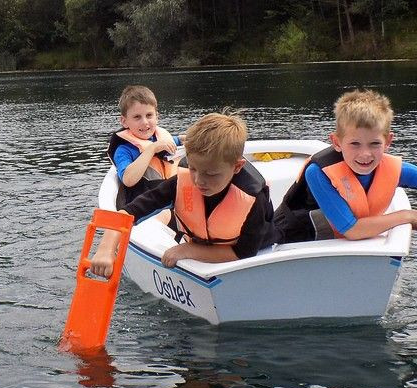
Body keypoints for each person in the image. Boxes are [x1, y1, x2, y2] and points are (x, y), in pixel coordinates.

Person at [274, 89, 417, 243]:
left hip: (340, 244)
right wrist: (406, 215)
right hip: (295, 240)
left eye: (374, 143)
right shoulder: (319, 173)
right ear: (336, 142)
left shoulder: (391, 168)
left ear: (388, 142)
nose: (365, 154)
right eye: (354, 143)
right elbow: (352, 230)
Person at [89, 112, 277, 276]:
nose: (199, 181)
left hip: (254, 253)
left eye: (211, 174)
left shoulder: (253, 197)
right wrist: (106, 248)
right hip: (203, 240)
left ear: (237, 167)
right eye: (194, 169)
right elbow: (130, 211)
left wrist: (189, 249)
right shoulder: (183, 181)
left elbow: (243, 252)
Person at [106, 85, 186, 224]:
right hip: (146, 208)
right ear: (124, 121)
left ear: (157, 117)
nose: (145, 122)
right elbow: (128, 179)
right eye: (137, 117)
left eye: (149, 115)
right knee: (165, 213)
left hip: (174, 199)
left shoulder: (163, 138)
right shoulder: (124, 150)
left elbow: (182, 139)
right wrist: (151, 149)